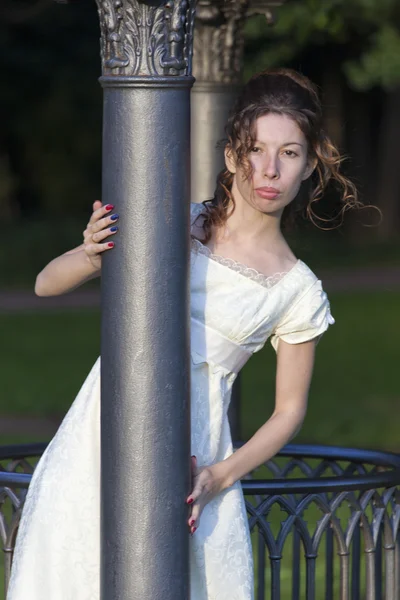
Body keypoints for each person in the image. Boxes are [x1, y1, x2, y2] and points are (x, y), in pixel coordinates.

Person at [7, 68, 359, 600]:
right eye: (256, 149)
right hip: (105, 427)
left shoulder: (298, 289)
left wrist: (221, 475)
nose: (268, 169)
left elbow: (289, 411)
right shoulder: (172, 222)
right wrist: (88, 252)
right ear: (230, 156)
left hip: (196, 453)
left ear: (309, 164)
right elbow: (44, 285)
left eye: (288, 154)